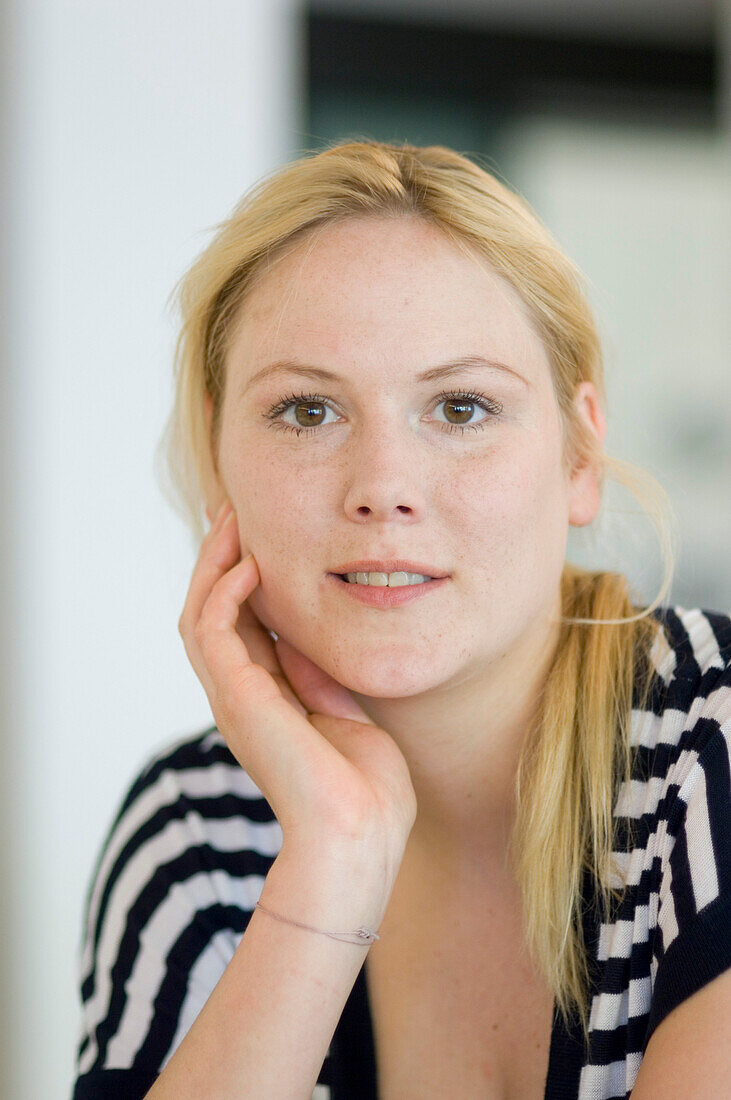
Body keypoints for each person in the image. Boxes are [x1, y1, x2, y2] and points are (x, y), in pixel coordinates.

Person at [71, 140, 730, 1100]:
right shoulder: (193, 837)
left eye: (460, 408)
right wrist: (332, 860)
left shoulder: (711, 744)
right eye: (305, 412)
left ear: (578, 453)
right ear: (218, 462)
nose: (382, 488)